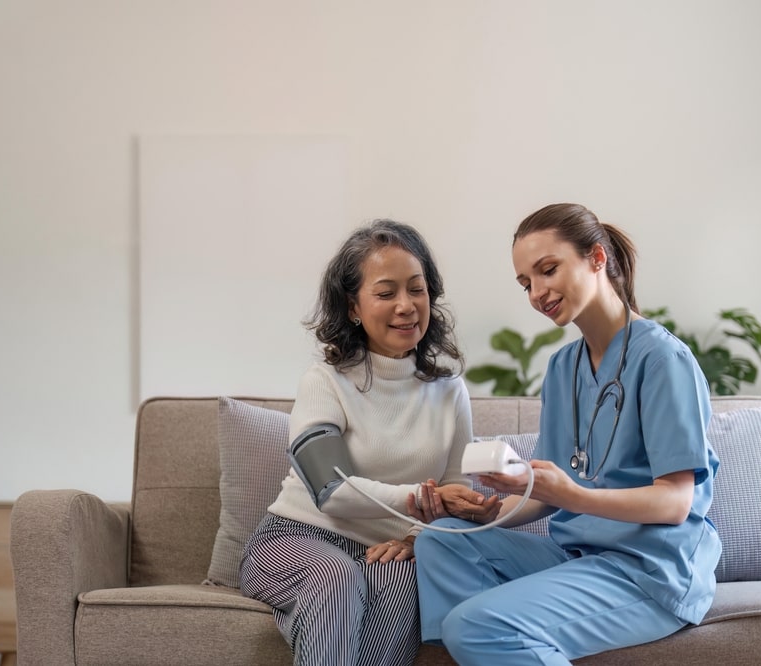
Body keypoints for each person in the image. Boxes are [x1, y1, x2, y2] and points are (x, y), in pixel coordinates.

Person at [413, 203, 722, 665]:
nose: (537, 292)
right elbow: (547, 494)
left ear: (597, 258)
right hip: (581, 557)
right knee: (440, 538)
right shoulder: (562, 369)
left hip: (651, 570)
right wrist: (493, 509)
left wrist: (572, 494)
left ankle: (492, 636)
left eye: (548, 270)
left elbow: (674, 503)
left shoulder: (662, 360)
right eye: (526, 284)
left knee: (473, 624)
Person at [240, 219, 499, 666]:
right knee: (337, 581)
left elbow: (454, 488)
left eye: (416, 290)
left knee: (404, 581)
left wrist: (420, 536)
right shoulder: (325, 381)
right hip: (297, 539)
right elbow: (332, 491)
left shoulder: (449, 390)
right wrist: (421, 499)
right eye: (386, 293)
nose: (406, 306)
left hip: (389, 550)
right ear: (354, 307)